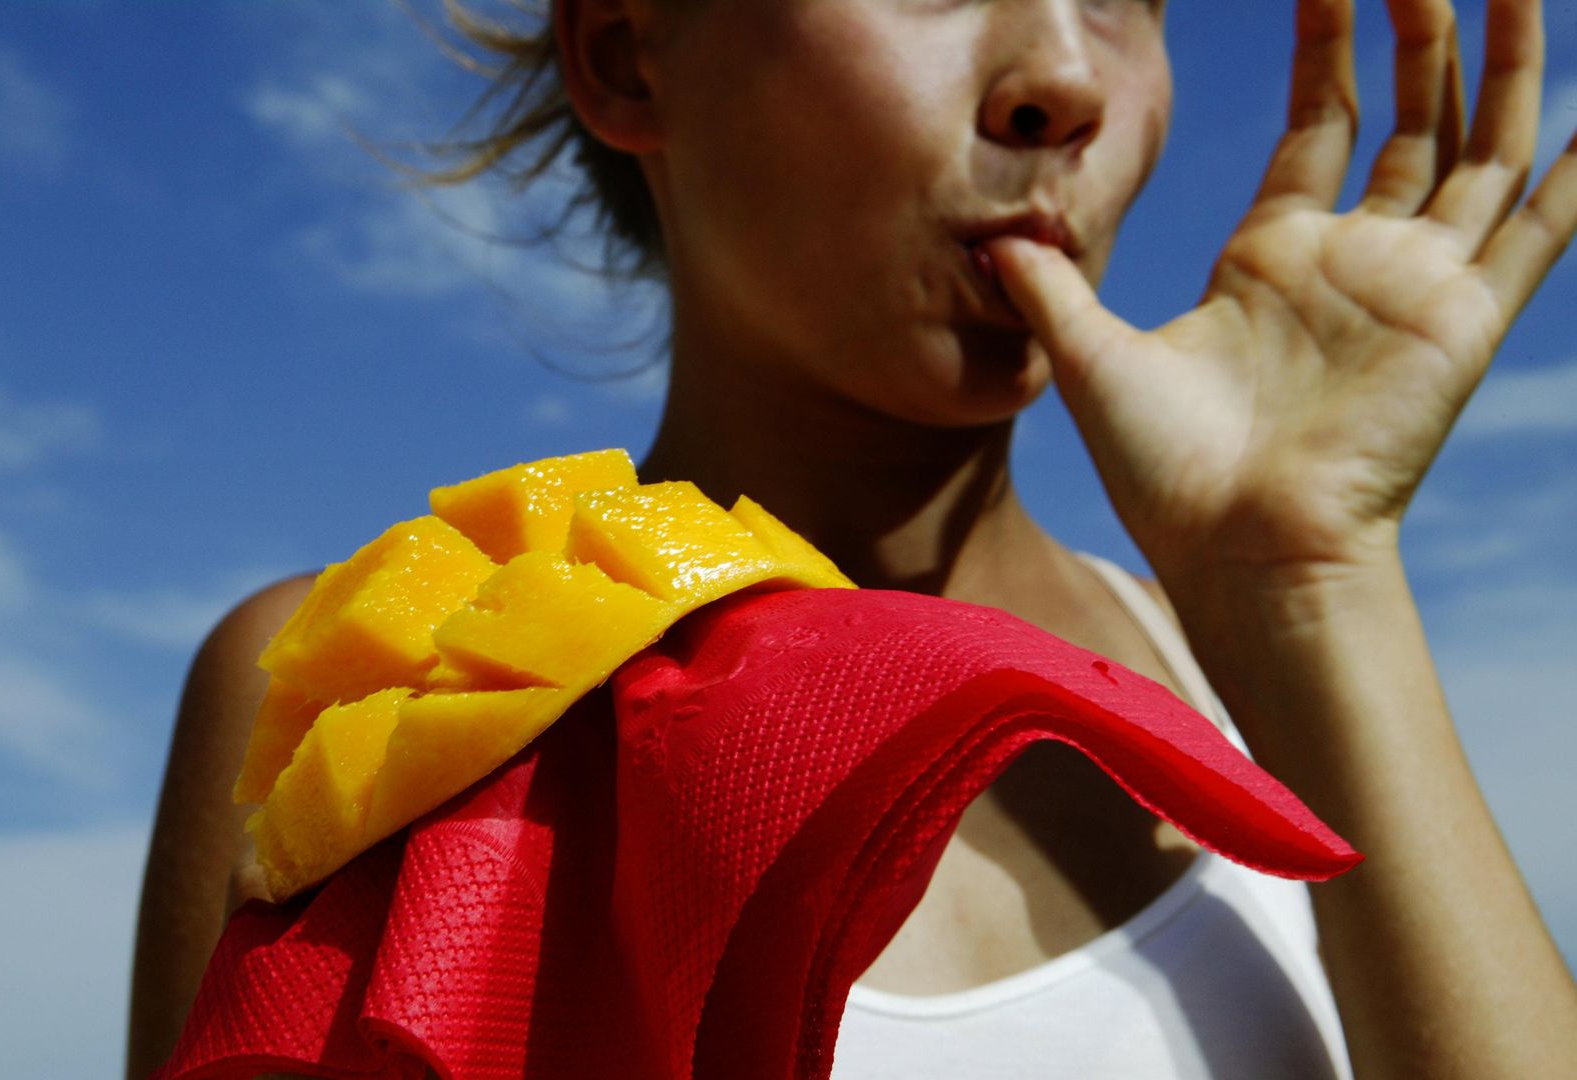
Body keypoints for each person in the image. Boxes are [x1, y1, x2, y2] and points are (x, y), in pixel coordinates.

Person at [127, 0, 1577, 1076]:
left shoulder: (1251, 659)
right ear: (628, 54)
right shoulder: (377, 690)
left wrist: (1311, 579)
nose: (1066, 77)